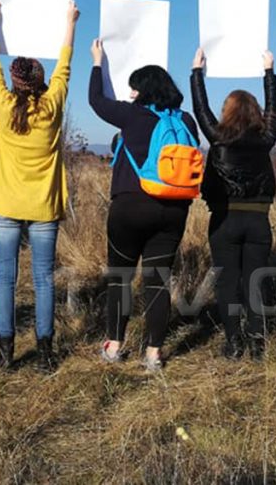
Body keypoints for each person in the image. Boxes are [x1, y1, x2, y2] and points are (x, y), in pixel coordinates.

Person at [89, 40, 200, 372]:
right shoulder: (187, 122)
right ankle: (153, 353)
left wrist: (97, 63)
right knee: (157, 280)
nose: (131, 93)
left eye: (134, 88)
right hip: (174, 210)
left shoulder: (133, 115)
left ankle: (114, 344)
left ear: (142, 91)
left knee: (121, 277)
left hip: (131, 207)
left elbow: (96, 100)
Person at [0, 0, 77, 372]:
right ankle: (45, 352)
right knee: (43, 280)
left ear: (13, 81)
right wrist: (69, 22)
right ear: (41, 80)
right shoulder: (52, 107)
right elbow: (64, 68)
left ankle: (5, 350)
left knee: (5, 278)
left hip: (6, 206)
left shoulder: (3, 106)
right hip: (43, 208)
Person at [190, 47, 276, 361]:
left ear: (226, 112)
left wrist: (196, 72)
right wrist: (270, 72)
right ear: (255, 113)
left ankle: (233, 342)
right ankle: (257, 343)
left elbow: (200, 108)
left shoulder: (217, 137)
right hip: (258, 220)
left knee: (227, 282)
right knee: (255, 280)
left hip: (224, 220)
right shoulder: (266, 138)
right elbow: (274, 110)